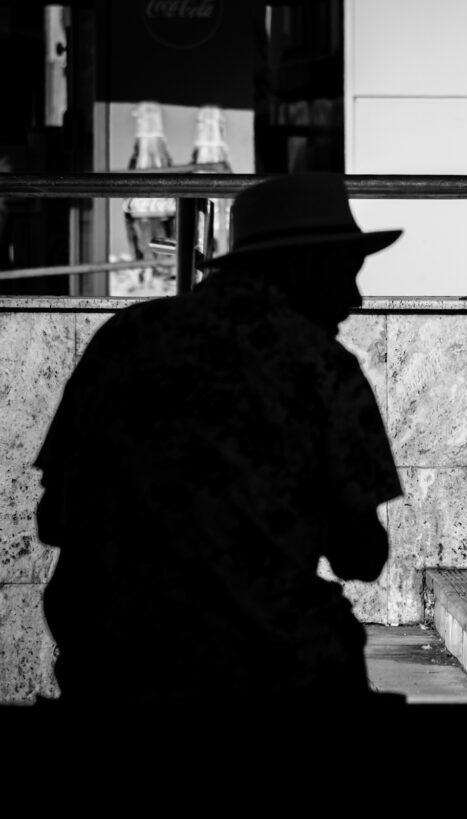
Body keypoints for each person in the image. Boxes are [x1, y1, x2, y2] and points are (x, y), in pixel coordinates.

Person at [35, 174, 404, 710]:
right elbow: (361, 557)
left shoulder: (124, 337)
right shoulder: (322, 366)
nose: (355, 299)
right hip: (265, 674)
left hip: (108, 670)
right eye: (345, 273)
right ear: (302, 265)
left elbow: (53, 520)